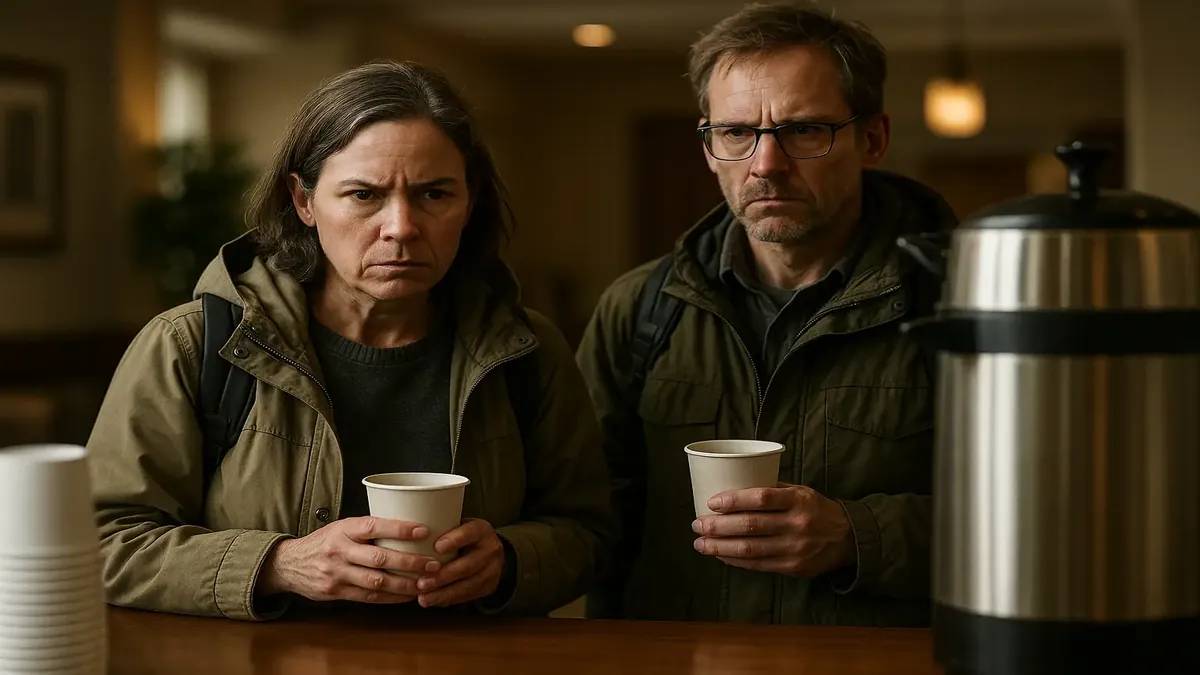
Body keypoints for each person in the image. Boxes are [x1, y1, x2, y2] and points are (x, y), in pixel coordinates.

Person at [89, 60, 616, 621]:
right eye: (364, 195)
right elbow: (100, 542)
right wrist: (279, 564)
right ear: (304, 201)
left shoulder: (527, 350)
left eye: (434, 194)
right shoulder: (193, 346)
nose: (401, 227)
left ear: (470, 200)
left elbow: (587, 531)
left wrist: (509, 561)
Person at [577, 2, 956, 625]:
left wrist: (858, 534)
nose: (766, 164)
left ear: (874, 139)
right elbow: (586, 524)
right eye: (736, 133)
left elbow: (1042, 519)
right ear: (708, 145)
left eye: (804, 130)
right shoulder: (640, 309)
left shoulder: (960, 307)